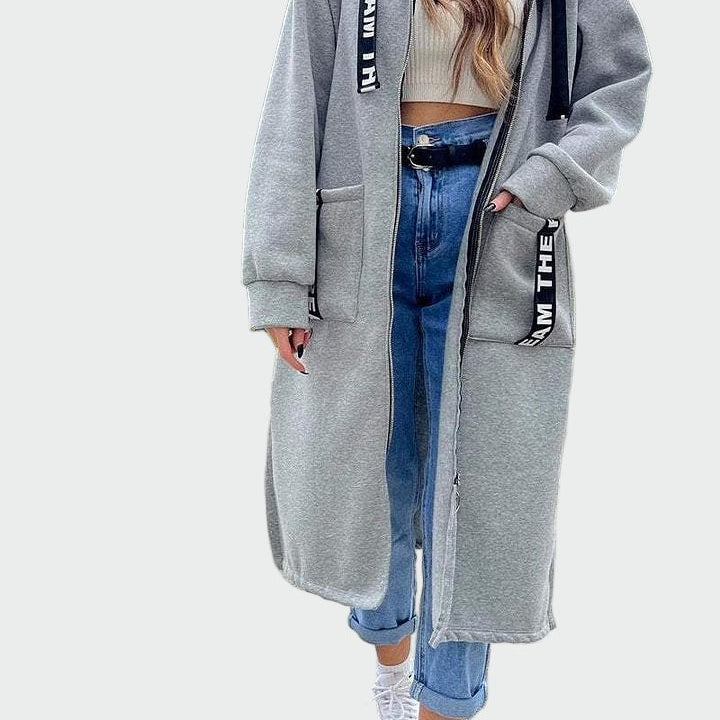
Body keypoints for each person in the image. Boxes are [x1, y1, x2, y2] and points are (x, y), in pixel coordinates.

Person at [242, 1, 651, 718]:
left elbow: (619, 83)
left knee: (478, 490)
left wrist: (549, 177)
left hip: (496, 221)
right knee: (376, 473)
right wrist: (279, 278)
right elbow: (294, 107)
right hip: (363, 226)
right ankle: (391, 666)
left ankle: (446, 704)